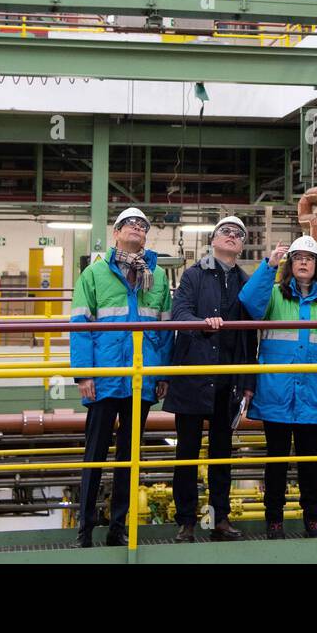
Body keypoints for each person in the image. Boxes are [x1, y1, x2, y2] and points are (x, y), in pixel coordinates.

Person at [69, 207, 173, 547]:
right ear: (116, 233)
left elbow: (165, 330)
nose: (137, 230)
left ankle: (118, 528)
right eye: (130, 224)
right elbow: (80, 327)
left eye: (143, 227)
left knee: (130, 459)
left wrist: (161, 373)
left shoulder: (155, 278)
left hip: (141, 379)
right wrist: (84, 374)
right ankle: (85, 528)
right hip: (105, 378)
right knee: (95, 455)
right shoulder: (95, 275)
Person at [239, 235, 317, 539]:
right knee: (276, 462)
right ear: (289, 265)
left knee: (310, 463)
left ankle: (313, 520)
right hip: (277, 394)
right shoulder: (273, 296)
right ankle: (273, 521)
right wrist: (268, 265)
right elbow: (248, 301)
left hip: (313, 397)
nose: (303, 262)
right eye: (297, 257)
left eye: (309, 258)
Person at [165, 214, 257, 543]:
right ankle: (187, 522)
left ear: (242, 245)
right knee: (187, 454)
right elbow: (180, 313)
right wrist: (202, 322)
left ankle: (218, 520)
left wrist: (248, 382)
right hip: (194, 375)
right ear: (214, 240)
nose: (232, 236)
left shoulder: (246, 284)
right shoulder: (193, 276)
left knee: (221, 455)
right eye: (226, 231)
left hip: (229, 381)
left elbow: (250, 338)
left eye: (239, 234)